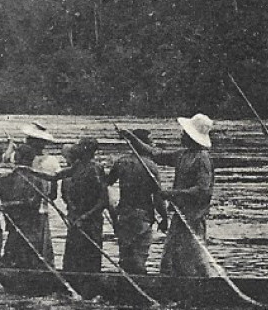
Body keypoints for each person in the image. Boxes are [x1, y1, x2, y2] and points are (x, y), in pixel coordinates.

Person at [160, 114, 216, 277]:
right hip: (180, 215)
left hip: (194, 217)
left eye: (185, 133)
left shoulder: (202, 159)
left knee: (191, 259)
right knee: (171, 258)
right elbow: (156, 155)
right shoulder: (182, 155)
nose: (182, 135)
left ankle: (193, 291)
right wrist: (132, 139)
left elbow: (202, 190)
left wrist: (173, 194)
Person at [106, 128, 163, 274]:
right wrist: (164, 217)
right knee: (140, 255)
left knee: (125, 254)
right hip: (143, 215)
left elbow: (106, 182)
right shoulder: (151, 167)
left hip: (124, 214)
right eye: (150, 142)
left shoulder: (122, 162)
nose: (153, 145)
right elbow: (157, 196)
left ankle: (125, 285)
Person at [0, 141, 56, 270]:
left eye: (17, 154)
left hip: (27, 223)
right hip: (17, 223)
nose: (15, 157)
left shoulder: (35, 178)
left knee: (25, 253)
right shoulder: (13, 177)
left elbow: (32, 203)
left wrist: (9, 205)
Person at [57, 137, 107, 274]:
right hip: (75, 219)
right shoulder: (76, 167)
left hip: (91, 222)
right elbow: (55, 176)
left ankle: (90, 289)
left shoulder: (96, 169)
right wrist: (28, 171)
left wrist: (85, 217)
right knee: (72, 259)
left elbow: (103, 201)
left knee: (90, 258)